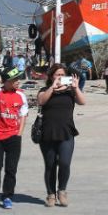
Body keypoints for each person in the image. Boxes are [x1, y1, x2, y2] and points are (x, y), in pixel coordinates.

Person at [37, 63, 86, 207]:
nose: (60, 77)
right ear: (51, 76)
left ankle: (62, 191)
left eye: (62, 75)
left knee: (64, 163)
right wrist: (53, 87)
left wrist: (76, 87)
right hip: (48, 132)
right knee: (50, 165)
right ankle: (51, 194)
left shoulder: (70, 91)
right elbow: (41, 101)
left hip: (67, 132)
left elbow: (83, 102)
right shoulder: (45, 90)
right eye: (57, 74)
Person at [0, 67, 29, 209]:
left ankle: (7, 196)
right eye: (14, 80)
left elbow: (23, 115)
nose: (18, 82)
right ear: (6, 81)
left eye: (18, 79)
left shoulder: (21, 95)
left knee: (11, 168)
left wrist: (19, 133)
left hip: (14, 136)